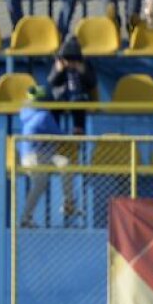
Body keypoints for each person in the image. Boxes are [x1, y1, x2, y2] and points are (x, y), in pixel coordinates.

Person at [17, 85, 78, 227]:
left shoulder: (26, 112)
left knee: (64, 164)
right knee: (40, 182)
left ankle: (68, 203)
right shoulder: (43, 115)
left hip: (35, 156)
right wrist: (74, 136)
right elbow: (60, 136)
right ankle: (26, 218)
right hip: (36, 156)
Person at [47, 36, 97, 134]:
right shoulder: (59, 65)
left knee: (79, 104)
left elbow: (92, 83)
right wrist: (58, 71)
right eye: (68, 60)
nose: (71, 63)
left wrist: (84, 72)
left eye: (73, 60)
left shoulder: (85, 65)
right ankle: (55, 132)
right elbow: (51, 82)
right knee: (53, 107)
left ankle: (78, 131)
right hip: (62, 96)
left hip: (79, 96)